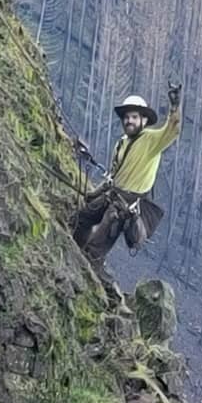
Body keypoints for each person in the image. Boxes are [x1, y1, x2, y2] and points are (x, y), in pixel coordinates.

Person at [73, 84, 182, 266]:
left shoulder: (152, 141)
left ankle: (89, 270)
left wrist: (175, 106)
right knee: (81, 219)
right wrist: (95, 194)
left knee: (97, 246)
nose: (129, 121)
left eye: (134, 117)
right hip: (111, 194)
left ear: (144, 120)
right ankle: (74, 252)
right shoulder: (121, 143)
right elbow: (114, 176)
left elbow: (173, 129)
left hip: (124, 206)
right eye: (126, 117)